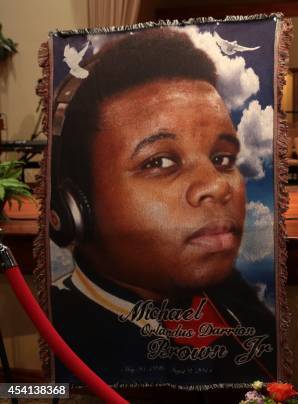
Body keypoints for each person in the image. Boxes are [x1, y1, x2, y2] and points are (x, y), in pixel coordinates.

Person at [49, 29, 276, 386]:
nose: (217, 185)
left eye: (222, 157)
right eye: (159, 162)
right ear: (76, 206)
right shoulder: (63, 332)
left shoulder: (240, 305)